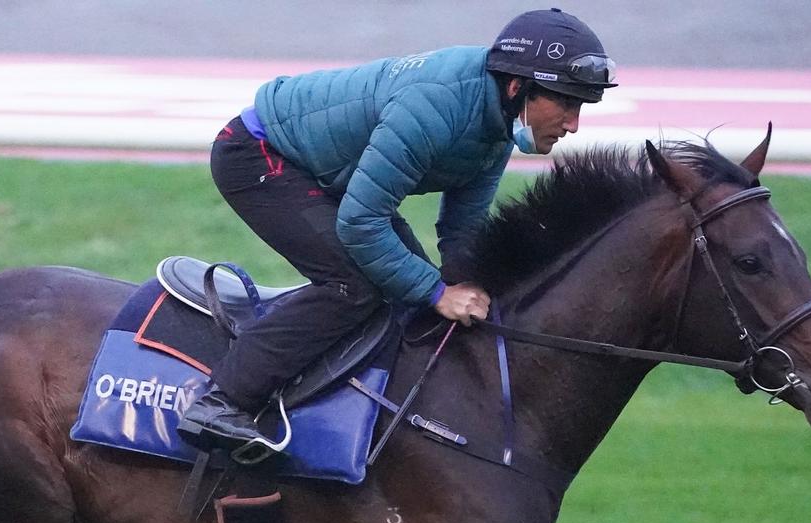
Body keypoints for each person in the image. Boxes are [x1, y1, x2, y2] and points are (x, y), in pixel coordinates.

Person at [177, 8, 617, 455]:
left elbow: (461, 232)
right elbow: (361, 223)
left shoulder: (498, 123)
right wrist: (437, 292)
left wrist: (478, 287)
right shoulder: (434, 106)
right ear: (517, 86)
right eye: (566, 102)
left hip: (325, 174)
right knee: (355, 286)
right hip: (258, 154)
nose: (574, 123)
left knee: (417, 295)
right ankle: (221, 401)